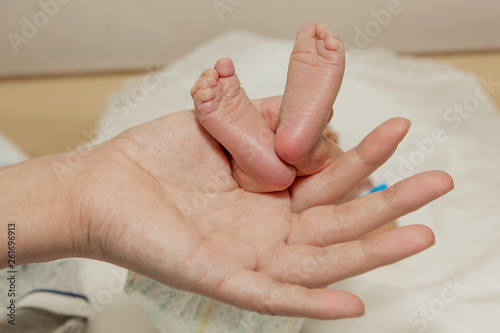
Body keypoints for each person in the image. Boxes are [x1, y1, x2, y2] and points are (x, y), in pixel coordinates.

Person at [0, 22, 453, 320]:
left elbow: (379, 218)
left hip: (175, 267)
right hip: (234, 258)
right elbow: (384, 224)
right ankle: (266, 161)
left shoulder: (335, 197)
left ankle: (274, 160)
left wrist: (341, 178)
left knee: (336, 194)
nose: (293, 168)